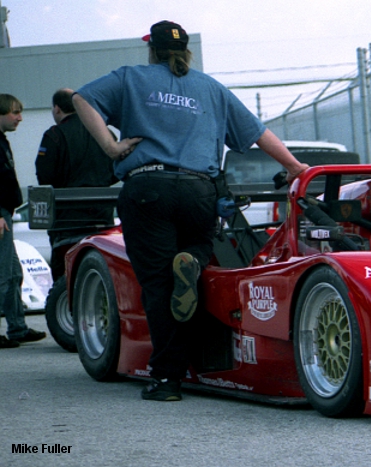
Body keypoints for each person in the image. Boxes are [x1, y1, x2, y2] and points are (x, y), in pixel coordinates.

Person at [72, 21, 309, 401]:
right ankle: (194, 262)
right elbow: (258, 133)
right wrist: (296, 167)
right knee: (200, 249)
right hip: (199, 190)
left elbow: (80, 99)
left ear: (153, 50)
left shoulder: (131, 77)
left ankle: (167, 380)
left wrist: (112, 148)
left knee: (158, 285)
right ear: (187, 53)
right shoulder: (210, 88)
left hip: (148, 187)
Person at [36, 88, 118, 280]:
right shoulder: (105, 133)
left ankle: (66, 307)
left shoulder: (54, 135)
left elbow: (45, 175)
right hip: (101, 216)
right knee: (98, 272)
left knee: (66, 276)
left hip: (66, 220)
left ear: (57, 109)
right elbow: (118, 168)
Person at [0, 94, 48, 348]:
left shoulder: (2, 141)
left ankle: (17, 327)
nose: (19, 118)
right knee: (2, 274)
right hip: (1, 214)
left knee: (14, 273)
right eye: (14, 112)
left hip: (5, 213)